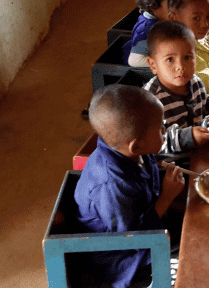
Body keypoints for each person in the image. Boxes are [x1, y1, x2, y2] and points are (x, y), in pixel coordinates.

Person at [74, 84, 186, 288]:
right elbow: (132, 237)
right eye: (161, 128)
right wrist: (167, 197)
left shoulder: (130, 151)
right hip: (124, 260)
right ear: (137, 145)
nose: (165, 129)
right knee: (189, 262)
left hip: (153, 229)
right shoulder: (111, 185)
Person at [143, 20, 209, 159]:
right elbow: (152, 144)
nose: (181, 66)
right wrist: (188, 137)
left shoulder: (194, 81)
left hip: (201, 151)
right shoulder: (149, 101)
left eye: (187, 57)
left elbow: (204, 102)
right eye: (170, 60)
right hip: (173, 167)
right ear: (153, 65)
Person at [125, 0, 182, 67]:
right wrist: (166, 63)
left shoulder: (160, 17)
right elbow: (134, 61)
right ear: (153, 6)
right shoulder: (147, 30)